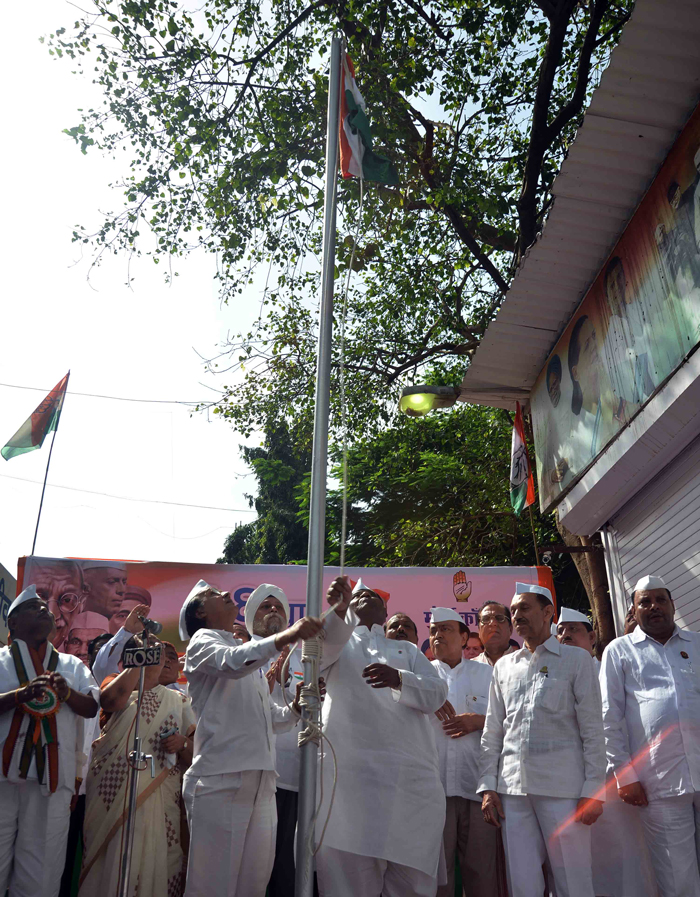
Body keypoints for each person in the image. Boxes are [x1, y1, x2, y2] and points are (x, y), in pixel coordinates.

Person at [180, 579, 350, 897]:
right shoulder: (203, 642)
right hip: (220, 781)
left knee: (254, 887)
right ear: (200, 612)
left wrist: (297, 706)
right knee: (213, 889)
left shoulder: (247, 657)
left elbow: (272, 719)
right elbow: (232, 663)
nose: (226, 594)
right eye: (214, 595)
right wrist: (288, 635)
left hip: (262, 784)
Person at [316, 579, 448, 897]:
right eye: (358, 595)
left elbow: (437, 693)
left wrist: (399, 678)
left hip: (410, 787)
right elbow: (316, 657)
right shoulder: (336, 643)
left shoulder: (408, 651)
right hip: (350, 787)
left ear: (385, 613)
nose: (365, 597)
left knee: (412, 884)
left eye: (372, 595)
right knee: (348, 884)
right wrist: (338, 613)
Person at [478, 582, 605, 897]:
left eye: (524, 608)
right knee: (522, 883)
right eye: (514, 610)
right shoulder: (505, 667)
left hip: (563, 790)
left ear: (548, 612)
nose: (517, 615)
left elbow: (592, 729)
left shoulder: (576, 660)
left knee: (573, 881)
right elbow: (493, 731)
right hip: (513, 791)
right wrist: (488, 786)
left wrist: (593, 789)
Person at [600, 574, 700, 896]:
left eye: (660, 600)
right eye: (645, 602)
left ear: (672, 605)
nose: (654, 606)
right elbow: (609, 717)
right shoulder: (619, 651)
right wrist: (624, 775)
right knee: (677, 878)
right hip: (658, 780)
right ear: (633, 610)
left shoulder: (697, 644)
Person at [0, 585, 99, 897]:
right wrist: (20, 695)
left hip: (52, 783)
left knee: (41, 875)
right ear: (13, 622)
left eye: (46, 608)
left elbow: (92, 707)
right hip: (1, 779)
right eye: (34, 607)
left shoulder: (72, 665)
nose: (45, 611)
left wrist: (67, 693)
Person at [79, 634, 195, 897]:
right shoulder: (115, 685)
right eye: (148, 648)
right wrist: (138, 665)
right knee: (111, 859)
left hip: (161, 795)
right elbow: (111, 702)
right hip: (111, 796)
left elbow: (196, 753)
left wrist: (182, 744)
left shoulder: (179, 701)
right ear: (130, 658)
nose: (157, 653)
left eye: (160, 650)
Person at [555, 602, 658, 897]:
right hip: (572, 781)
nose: (565, 635)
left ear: (592, 638)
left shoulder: (609, 670)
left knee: (625, 849)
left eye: (573, 630)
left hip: (613, 779)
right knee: (583, 858)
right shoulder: (554, 678)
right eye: (560, 631)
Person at [429, 608, 501, 897]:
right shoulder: (420, 677)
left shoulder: (487, 675)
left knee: (482, 874)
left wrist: (478, 721)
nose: (437, 635)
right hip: (433, 793)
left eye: (445, 629)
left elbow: (509, 721)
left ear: (463, 637)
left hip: (478, 790)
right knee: (438, 877)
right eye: (433, 630)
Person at [243, 583, 305, 897]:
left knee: (286, 866)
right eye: (265, 607)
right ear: (252, 618)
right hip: (252, 774)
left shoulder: (303, 655)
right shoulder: (243, 654)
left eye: (278, 607)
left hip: (295, 775)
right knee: (251, 866)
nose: (273, 611)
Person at [567, 314, 618, 461]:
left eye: (594, 337)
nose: (595, 346)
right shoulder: (578, 430)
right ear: (575, 373)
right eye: (587, 346)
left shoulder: (617, 392)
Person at [26, 559, 86, 650]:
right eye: (41, 597)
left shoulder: (73, 660)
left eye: (67, 600)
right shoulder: (8, 657)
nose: (52, 613)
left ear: (81, 605)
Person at [91, 600, 151, 686]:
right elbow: (104, 666)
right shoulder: (117, 686)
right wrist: (127, 631)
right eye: (122, 615)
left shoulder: (171, 692)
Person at [475, 602, 518, 667]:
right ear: (479, 631)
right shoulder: (469, 669)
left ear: (510, 629)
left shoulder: (527, 664)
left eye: (500, 618)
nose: (493, 623)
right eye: (485, 619)